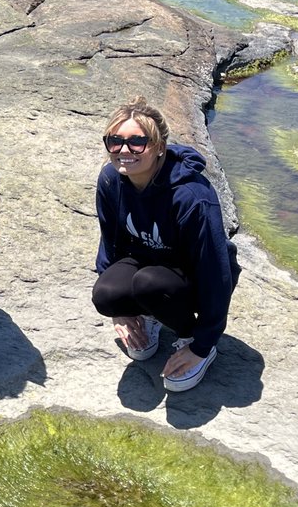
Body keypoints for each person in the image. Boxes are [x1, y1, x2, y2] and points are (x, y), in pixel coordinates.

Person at [92, 97, 240, 392]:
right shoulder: (111, 180)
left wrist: (202, 344)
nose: (124, 150)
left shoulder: (191, 196)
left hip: (191, 278)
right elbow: (110, 243)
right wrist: (120, 310)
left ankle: (189, 335)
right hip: (145, 262)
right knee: (106, 295)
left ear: (159, 146)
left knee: (149, 284)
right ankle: (150, 315)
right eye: (115, 141)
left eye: (137, 142)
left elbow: (215, 272)